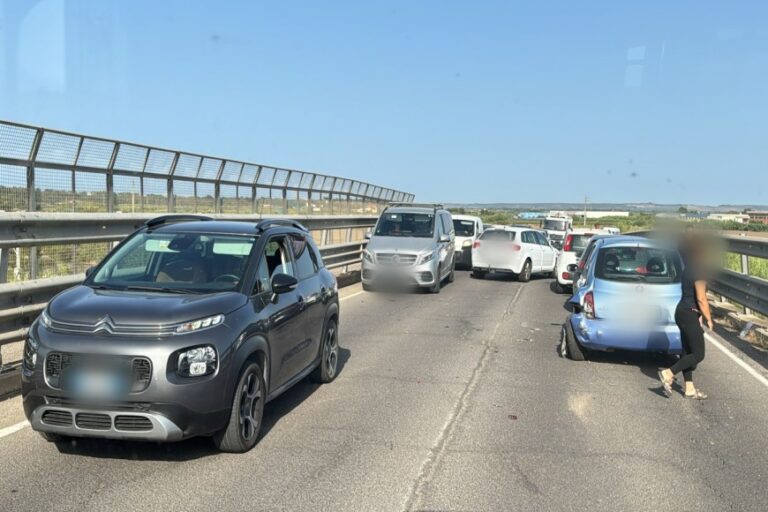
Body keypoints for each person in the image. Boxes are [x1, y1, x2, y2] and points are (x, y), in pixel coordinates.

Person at [658, 234, 713, 399]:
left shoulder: (687, 269)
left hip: (682, 312)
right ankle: (668, 373)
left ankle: (689, 388)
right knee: (698, 354)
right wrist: (708, 318)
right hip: (689, 313)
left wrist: (699, 316)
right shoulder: (699, 271)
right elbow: (701, 299)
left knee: (687, 351)